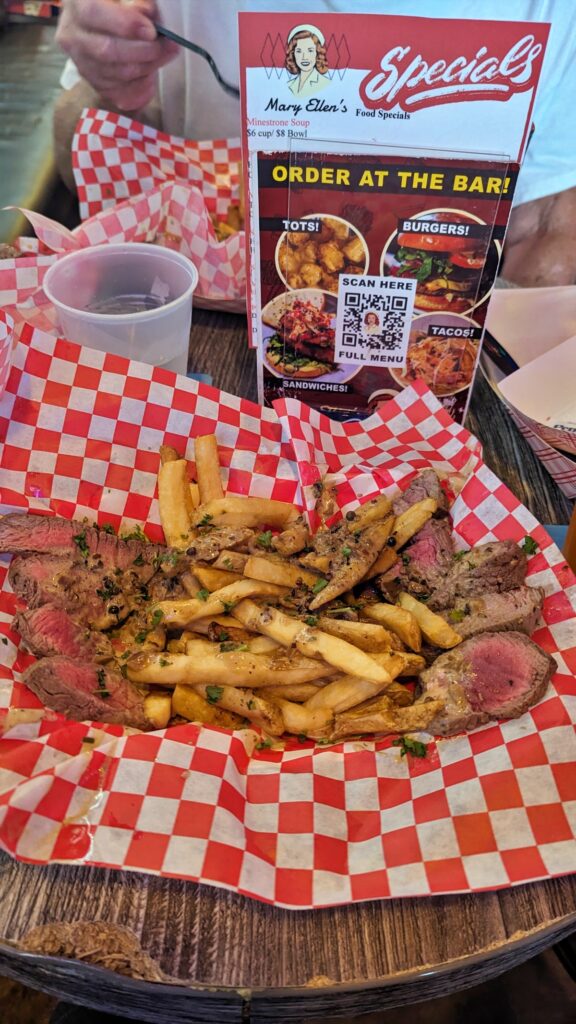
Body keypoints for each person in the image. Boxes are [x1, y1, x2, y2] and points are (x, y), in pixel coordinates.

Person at [53, 0, 576, 287]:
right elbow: (75, 138)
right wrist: (101, 62)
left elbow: (547, 237)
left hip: (427, 349)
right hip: (183, 307)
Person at [285, 24, 330, 98]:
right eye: (299, 51)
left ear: (317, 53)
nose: (304, 57)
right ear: (293, 54)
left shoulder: (326, 83)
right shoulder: (289, 85)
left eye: (310, 51)